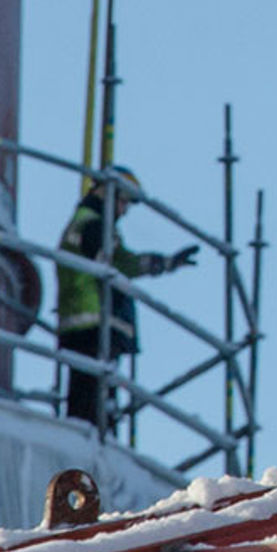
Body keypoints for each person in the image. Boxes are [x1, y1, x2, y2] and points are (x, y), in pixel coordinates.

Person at [54, 176, 194, 430]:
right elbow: (119, 265)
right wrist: (162, 264)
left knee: (91, 399)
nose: (124, 210)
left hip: (85, 322)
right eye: (122, 202)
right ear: (106, 194)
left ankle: (91, 439)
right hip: (92, 323)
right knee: (90, 406)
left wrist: (164, 263)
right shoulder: (92, 226)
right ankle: (90, 447)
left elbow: (120, 262)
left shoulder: (87, 224)